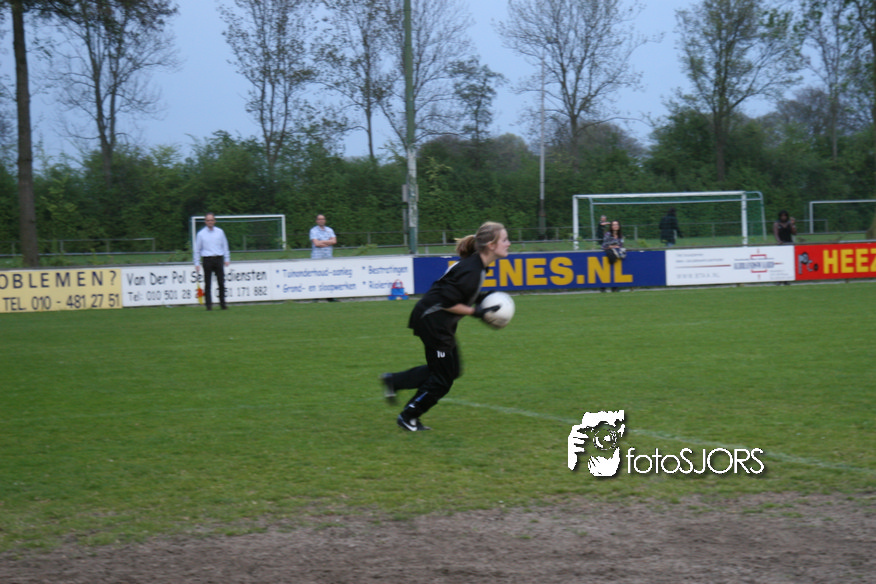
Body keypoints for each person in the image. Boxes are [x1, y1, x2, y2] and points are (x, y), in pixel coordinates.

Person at [380, 221, 511, 431]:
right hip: (433, 323)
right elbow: (447, 302)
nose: (508, 243)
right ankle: (408, 416)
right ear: (491, 245)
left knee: (450, 369)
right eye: (504, 240)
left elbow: (460, 292)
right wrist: (477, 312)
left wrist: (483, 299)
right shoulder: (472, 269)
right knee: (442, 379)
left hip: (436, 322)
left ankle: (395, 381)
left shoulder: (476, 266)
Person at [194, 212, 230, 310]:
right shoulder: (201, 234)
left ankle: (223, 304)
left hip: (218, 258)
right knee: (208, 283)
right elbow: (197, 249)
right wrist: (196, 262)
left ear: (214, 221)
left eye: (211, 220)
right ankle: (208, 305)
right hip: (207, 259)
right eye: (208, 220)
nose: (210, 222)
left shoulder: (220, 232)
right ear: (205, 222)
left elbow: (225, 245)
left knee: (221, 283)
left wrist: (227, 258)